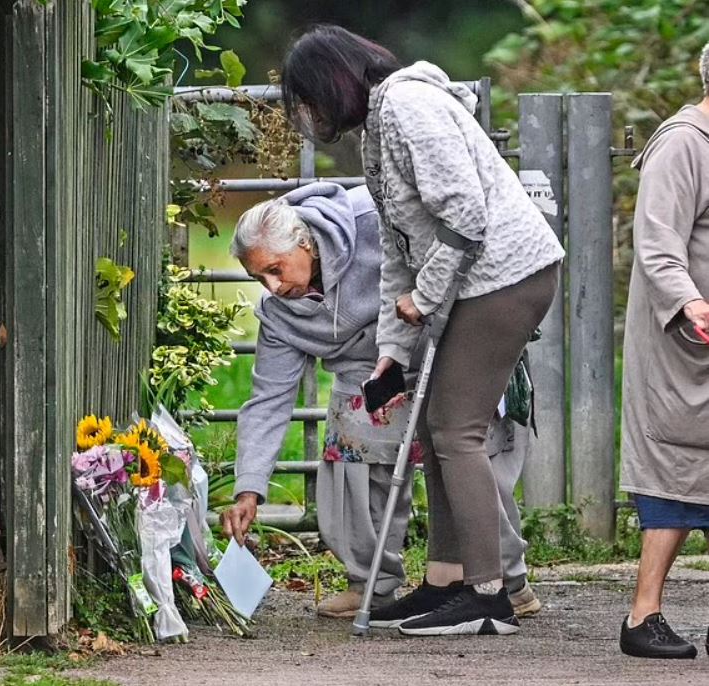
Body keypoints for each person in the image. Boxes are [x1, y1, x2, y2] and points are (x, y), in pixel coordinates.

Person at [281, 26, 564, 636]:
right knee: (437, 428)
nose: (310, 114)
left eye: (309, 98)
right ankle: (444, 582)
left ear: (334, 79)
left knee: (454, 430)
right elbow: (397, 250)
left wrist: (424, 298)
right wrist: (391, 350)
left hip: (507, 276)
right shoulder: (379, 128)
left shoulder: (410, 105)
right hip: (474, 281)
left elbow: (466, 213)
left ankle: (488, 596)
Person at [219, 181, 541, 620]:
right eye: (259, 277)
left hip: (441, 344)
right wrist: (249, 488)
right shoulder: (279, 312)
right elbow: (268, 398)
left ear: (305, 244)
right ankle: (371, 581)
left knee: (463, 456)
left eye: (275, 269)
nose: (272, 287)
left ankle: (508, 578)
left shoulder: (370, 220)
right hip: (365, 374)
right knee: (348, 450)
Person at [618, 43, 709, 660]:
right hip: (686, 337)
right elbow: (656, 240)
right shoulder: (683, 143)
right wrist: (691, 303)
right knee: (673, 476)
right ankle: (642, 615)